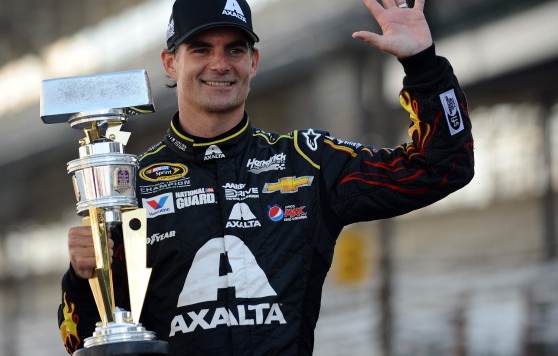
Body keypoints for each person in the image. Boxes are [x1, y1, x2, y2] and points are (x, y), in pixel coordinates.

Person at [58, 0, 475, 354]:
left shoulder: (306, 162)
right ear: (171, 61)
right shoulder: (129, 186)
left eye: (235, 50)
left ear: (253, 61)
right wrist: (81, 279)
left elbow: (440, 167)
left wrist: (421, 64)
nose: (220, 65)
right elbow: (78, 342)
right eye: (201, 50)